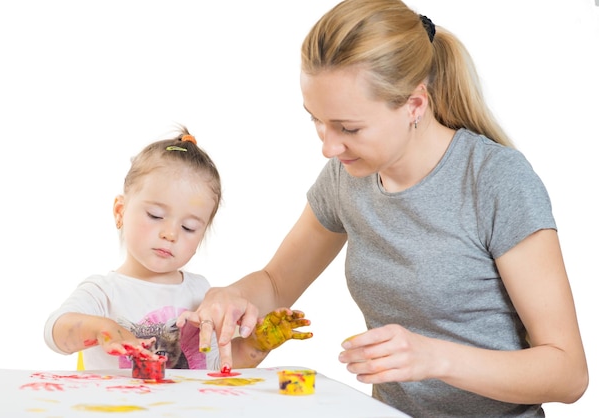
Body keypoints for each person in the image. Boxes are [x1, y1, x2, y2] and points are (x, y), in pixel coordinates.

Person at [177, 0, 589, 416]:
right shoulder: (346, 177)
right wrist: (231, 296)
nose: (328, 147)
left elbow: (568, 373)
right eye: (316, 120)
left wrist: (436, 358)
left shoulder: (495, 180)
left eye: (348, 128)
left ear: (414, 104)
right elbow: (276, 282)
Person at [44, 127, 312, 371]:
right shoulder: (103, 293)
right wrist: (102, 329)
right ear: (120, 211)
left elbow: (219, 365)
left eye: (188, 228)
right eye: (156, 215)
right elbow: (55, 333)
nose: (170, 233)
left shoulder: (201, 295)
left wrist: (257, 345)